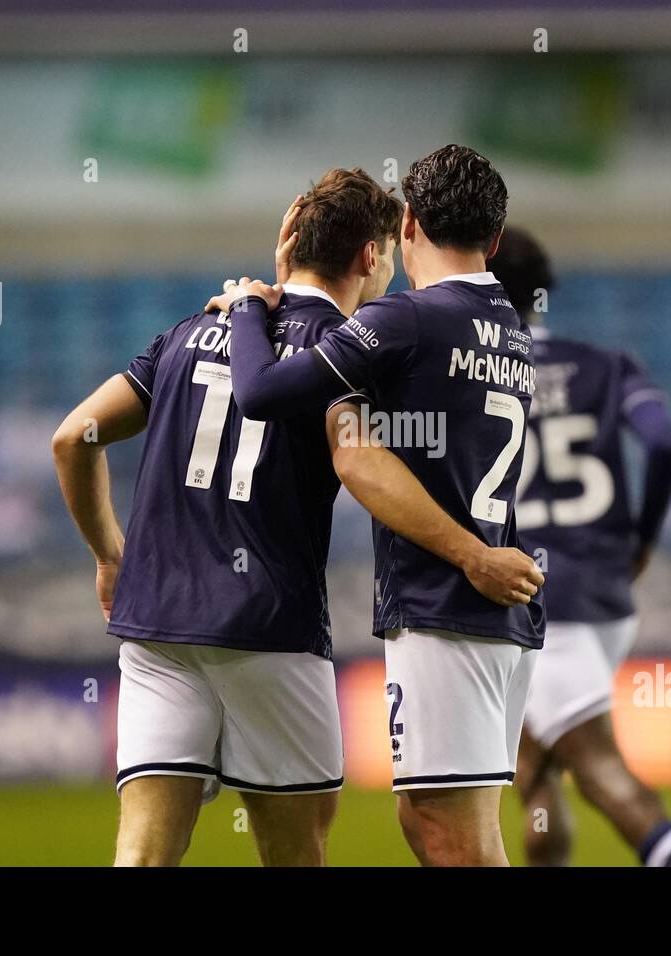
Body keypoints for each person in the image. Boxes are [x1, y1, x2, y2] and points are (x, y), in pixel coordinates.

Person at [52, 167, 537, 866]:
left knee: (145, 852)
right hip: (269, 624)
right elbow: (354, 452)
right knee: (295, 849)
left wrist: (109, 555)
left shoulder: (191, 331)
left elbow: (73, 439)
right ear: (372, 255)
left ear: (293, 242)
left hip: (155, 622)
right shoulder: (349, 355)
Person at [207, 144, 545, 866]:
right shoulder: (510, 327)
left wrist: (247, 307)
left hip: (449, 602)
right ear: (493, 240)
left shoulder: (407, 321)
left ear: (411, 222)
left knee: (450, 837)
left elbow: (262, 394)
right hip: (494, 619)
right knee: (436, 822)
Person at [487, 226, 671, 867]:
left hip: (532, 601)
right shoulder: (606, 365)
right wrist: (643, 538)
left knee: (604, 777)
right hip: (604, 594)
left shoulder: (474, 373)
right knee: (539, 780)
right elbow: (663, 441)